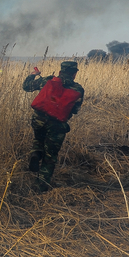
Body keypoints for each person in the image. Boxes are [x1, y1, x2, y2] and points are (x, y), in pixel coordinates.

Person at [22, 61, 84, 191]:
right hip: (57, 125)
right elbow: (75, 110)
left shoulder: (48, 80)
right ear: (74, 74)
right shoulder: (78, 89)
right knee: (50, 156)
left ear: (61, 71)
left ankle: (36, 153)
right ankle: (40, 186)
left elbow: (26, 86)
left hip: (38, 119)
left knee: (38, 139)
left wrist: (33, 75)